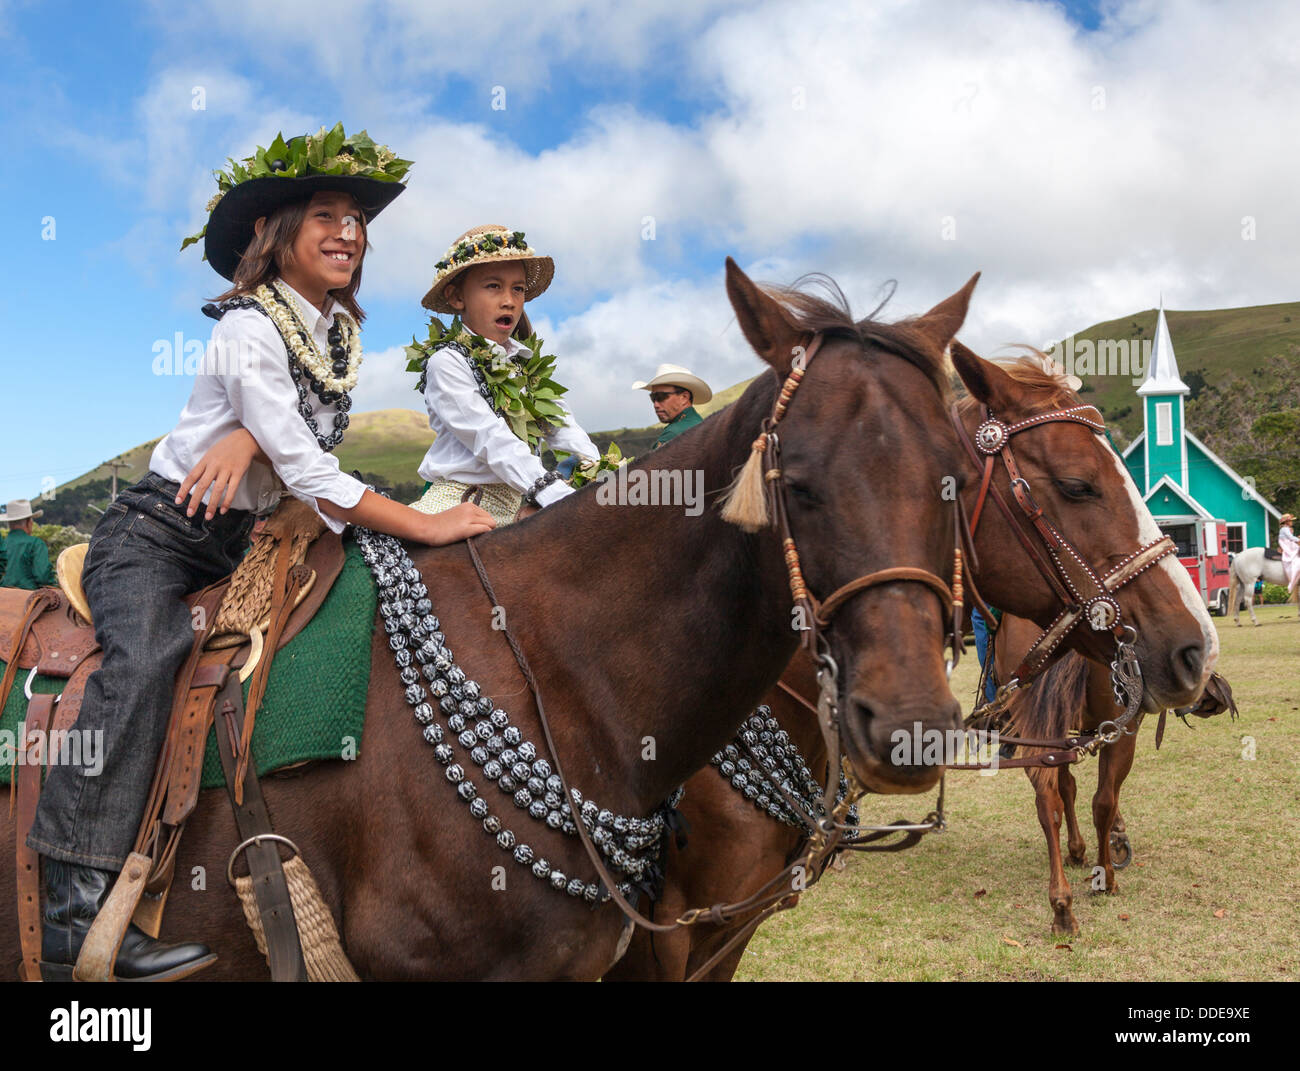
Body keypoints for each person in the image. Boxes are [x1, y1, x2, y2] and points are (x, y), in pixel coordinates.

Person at [26, 126, 493, 982]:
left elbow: (294, 454)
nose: (348, 231)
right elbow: (313, 468)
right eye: (325, 214)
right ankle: (70, 909)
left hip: (245, 534)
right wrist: (424, 522)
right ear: (275, 234)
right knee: (152, 653)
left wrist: (248, 437)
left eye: (356, 218)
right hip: (160, 535)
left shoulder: (334, 336)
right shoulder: (247, 327)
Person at [408, 224, 600, 525]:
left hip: (522, 505)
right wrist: (556, 496)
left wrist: (601, 477)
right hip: (459, 505)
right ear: (457, 298)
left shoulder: (526, 367)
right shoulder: (447, 362)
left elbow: (563, 427)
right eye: (493, 286)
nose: (509, 300)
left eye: (518, 289)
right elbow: (489, 439)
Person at [632, 364, 711, 448]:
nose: (655, 405)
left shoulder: (674, 433)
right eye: (653, 398)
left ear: (684, 398)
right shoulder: (700, 424)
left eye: (661, 397)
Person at [1, 499, 56, 589]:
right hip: (28, 597)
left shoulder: (3, 544)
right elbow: (43, 577)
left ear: (9, 523)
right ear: (29, 522)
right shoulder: (36, 544)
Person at [1280, 513, 1299, 593]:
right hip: (1287, 544)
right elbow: (1290, 538)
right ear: (1286, 522)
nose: (1292, 522)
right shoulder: (1285, 529)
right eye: (1290, 521)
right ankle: (1293, 578)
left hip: (1288, 542)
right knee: (1295, 556)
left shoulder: (1287, 528)